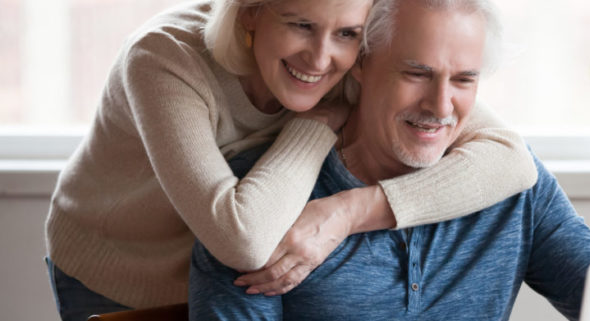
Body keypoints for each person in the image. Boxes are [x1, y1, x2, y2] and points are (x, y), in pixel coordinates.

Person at [188, 0, 590, 319]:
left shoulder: (515, 189)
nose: (440, 106)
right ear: (361, 65)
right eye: (416, 73)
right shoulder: (262, 202)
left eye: (464, 79)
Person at [43, 0, 540, 319]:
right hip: (122, 266)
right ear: (251, 15)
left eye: (347, 33)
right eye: (301, 24)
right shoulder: (164, 58)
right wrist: (315, 125)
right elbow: (242, 239)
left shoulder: (349, 60)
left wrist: (348, 211)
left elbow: (513, 161)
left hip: (224, 267)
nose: (321, 59)